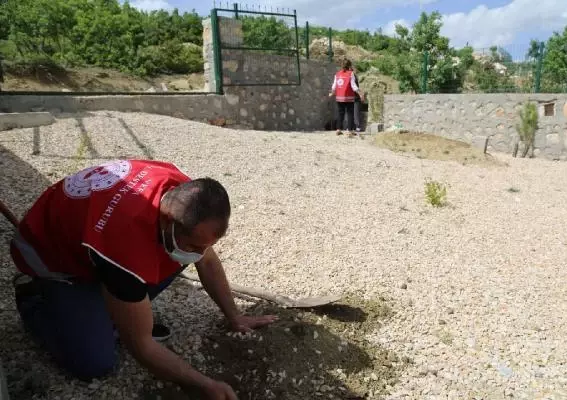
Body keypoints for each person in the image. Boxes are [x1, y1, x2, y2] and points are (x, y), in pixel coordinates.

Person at [9, 159, 277, 400]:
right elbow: (141, 346)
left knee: (177, 256)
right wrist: (204, 384)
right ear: (165, 221)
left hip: (95, 243)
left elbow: (205, 258)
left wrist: (235, 316)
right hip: (53, 262)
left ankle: (114, 308)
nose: (200, 253)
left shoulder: (183, 193)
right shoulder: (123, 246)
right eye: (195, 244)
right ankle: (33, 298)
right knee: (94, 363)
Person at [329, 59, 364, 136]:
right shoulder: (350, 74)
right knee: (350, 113)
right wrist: (360, 94)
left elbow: (334, 86)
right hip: (348, 97)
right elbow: (353, 86)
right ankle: (350, 130)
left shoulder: (337, 74)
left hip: (339, 97)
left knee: (340, 113)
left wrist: (332, 93)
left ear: (341, 65)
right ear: (349, 66)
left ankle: (338, 129)